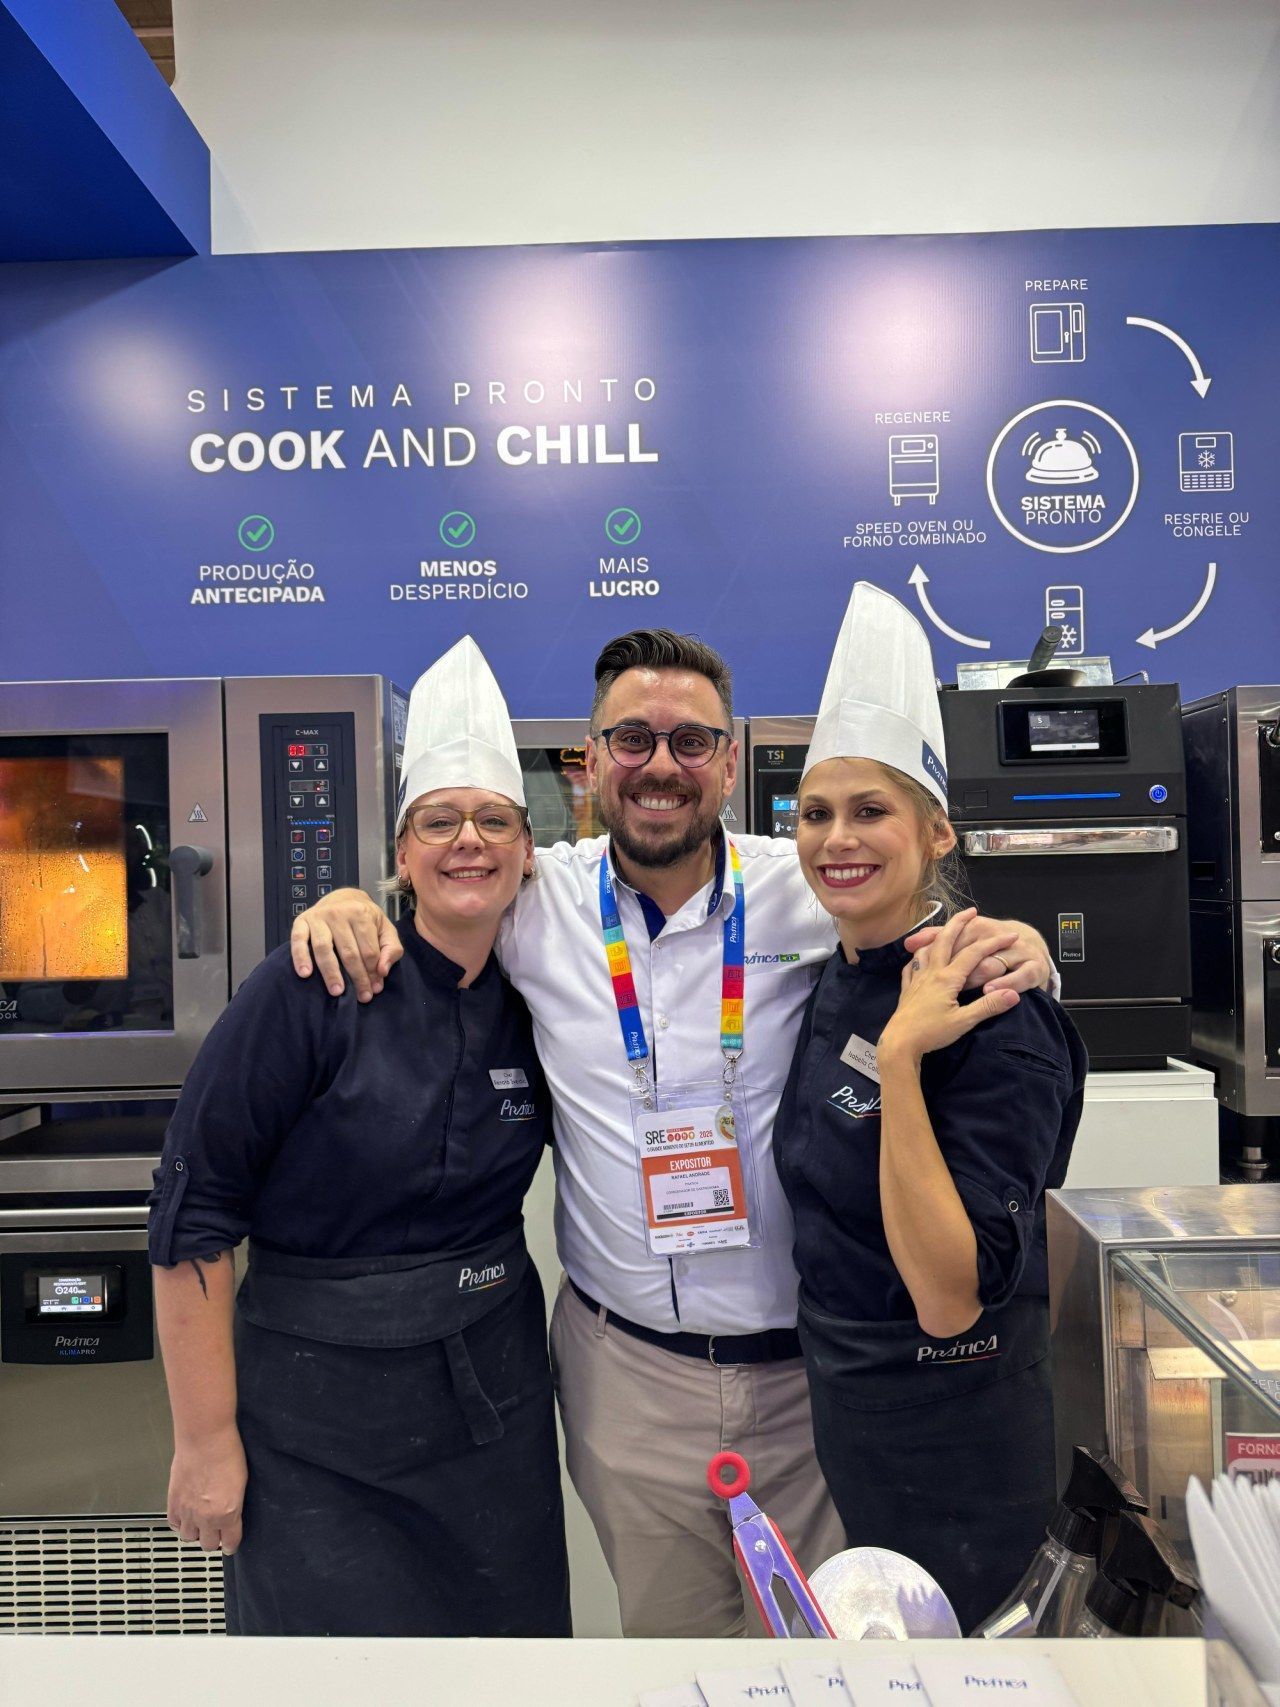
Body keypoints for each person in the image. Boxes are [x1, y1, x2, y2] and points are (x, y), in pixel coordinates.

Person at [290, 624, 1055, 1638]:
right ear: (589, 763)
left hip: (807, 1383)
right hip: (625, 1375)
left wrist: (1026, 947)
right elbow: (436, 880)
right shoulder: (533, 901)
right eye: (631, 741)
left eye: (690, 742)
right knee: (669, 1654)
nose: (661, 766)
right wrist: (348, 902)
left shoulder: (812, 885)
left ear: (729, 763)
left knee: (821, 1664)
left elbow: (915, 915)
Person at [147, 637, 571, 1638]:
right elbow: (192, 1212)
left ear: (525, 849)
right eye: (438, 821)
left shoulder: (545, 985)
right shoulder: (312, 985)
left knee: (505, 1674)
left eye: (493, 821)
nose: (467, 840)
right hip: (310, 1420)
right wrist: (205, 1444)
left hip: (489, 1412)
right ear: (399, 855)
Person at [773, 583, 1087, 1634]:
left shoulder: (995, 1006)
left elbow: (950, 1295)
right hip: (854, 1414)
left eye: (868, 811)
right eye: (814, 814)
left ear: (935, 830)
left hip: (964, 1429)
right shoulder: (843, 965)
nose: (834, 839)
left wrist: (903, 1062)